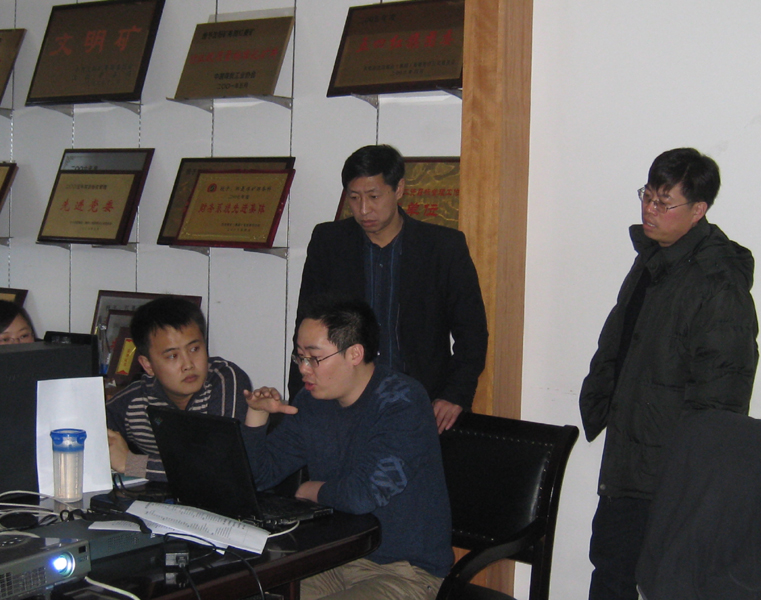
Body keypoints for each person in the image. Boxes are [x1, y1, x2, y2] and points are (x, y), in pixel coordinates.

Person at [579, 148, 759, 600]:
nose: (650, 210)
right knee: (610, 572)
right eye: (647, 196)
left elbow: (721, 398)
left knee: (664, 585)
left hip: (669, 472)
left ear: (698, 210)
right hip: (630, 455)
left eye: (664, 202)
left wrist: (689, 480)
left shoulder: (717, 282)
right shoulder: (654, 257)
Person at [243, 296, 453, 600]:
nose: (304, 369)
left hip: (406, 572)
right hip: (333, 560)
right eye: (299, 357)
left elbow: (363, 494)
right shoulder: (312, 402)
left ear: (354, 353)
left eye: (314, 358)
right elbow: (259, 477)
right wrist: (256, 415)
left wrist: (310, 490)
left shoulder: (402, 402)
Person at [290, 144, 488, 433]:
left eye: (374, 196)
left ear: (399, 189)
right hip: (343, 403)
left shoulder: (443, 247)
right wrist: (301, 398)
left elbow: (472, 332)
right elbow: (306, 324)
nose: (363, 209)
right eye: (354, 197)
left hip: (420, 403)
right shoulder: (329, 242)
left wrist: (456, 394)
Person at [106, 296, 251, 481]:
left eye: (194, 349)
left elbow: (215, 465)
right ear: (148, 365)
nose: (188, 364)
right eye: (173, 356)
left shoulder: (224, 380)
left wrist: (131, 464)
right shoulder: (135, 400)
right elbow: (87, 432)